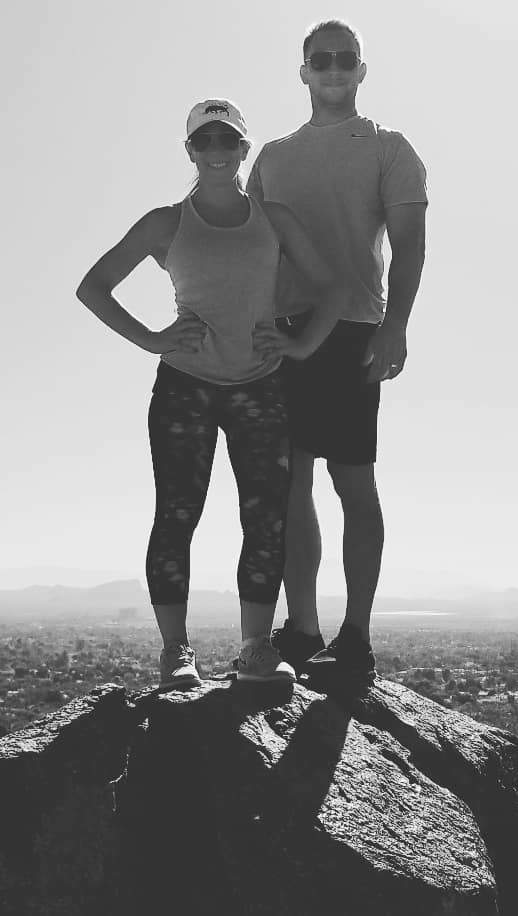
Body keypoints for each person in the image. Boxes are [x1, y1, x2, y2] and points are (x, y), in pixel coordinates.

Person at [76, 99, 344, 688]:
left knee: (265, 519)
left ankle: (255, 651)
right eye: (205, 141)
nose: (217, 151)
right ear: (190, 151)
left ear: (245, 149)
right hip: (185, 386)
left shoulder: (274, 219)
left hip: (259, 385)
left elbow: (333, 289)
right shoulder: (164, 223)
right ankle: (176, 654)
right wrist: (151, 339)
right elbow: (93, 287)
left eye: (228, 140)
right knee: (177, 517)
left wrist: (301, 346)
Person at [246, 19, 428, 684]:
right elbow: (247, 250)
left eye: (343, 58)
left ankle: (355, 639)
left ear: (361, 70)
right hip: (282, 331)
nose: (332, 68)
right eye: (319, 59)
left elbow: (410, 245)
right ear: (303, 72)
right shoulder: (271, 158)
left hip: (353, 328)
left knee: (352, 480)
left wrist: (395, 325)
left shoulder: (389, 148)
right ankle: (303, 629)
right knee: (291, 482)